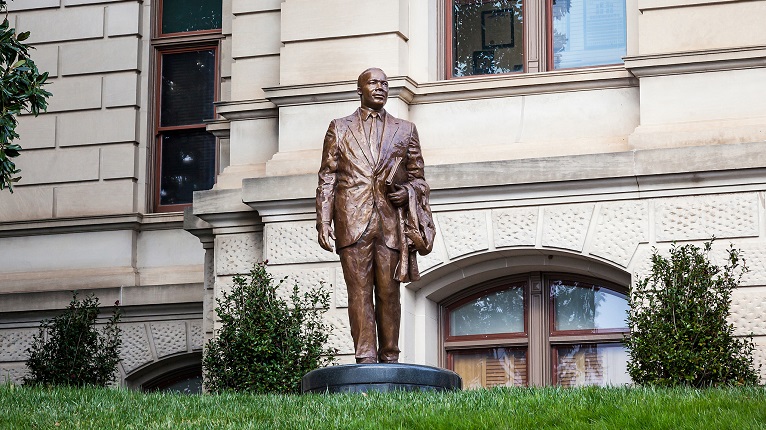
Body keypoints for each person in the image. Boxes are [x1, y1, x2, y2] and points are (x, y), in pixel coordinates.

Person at [316, 68, 434, 364]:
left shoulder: (405, 130)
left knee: (388, 293)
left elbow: (420, 180)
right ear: (360, 89)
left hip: (390, 222)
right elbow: (327, 177)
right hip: (351, 221)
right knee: (358, 293)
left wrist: (406, 191)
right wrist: (323, 218)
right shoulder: (339, 128)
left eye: (384, 84)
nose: (380, 88)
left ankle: (390, 357)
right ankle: (365, 359)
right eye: (373, 83)